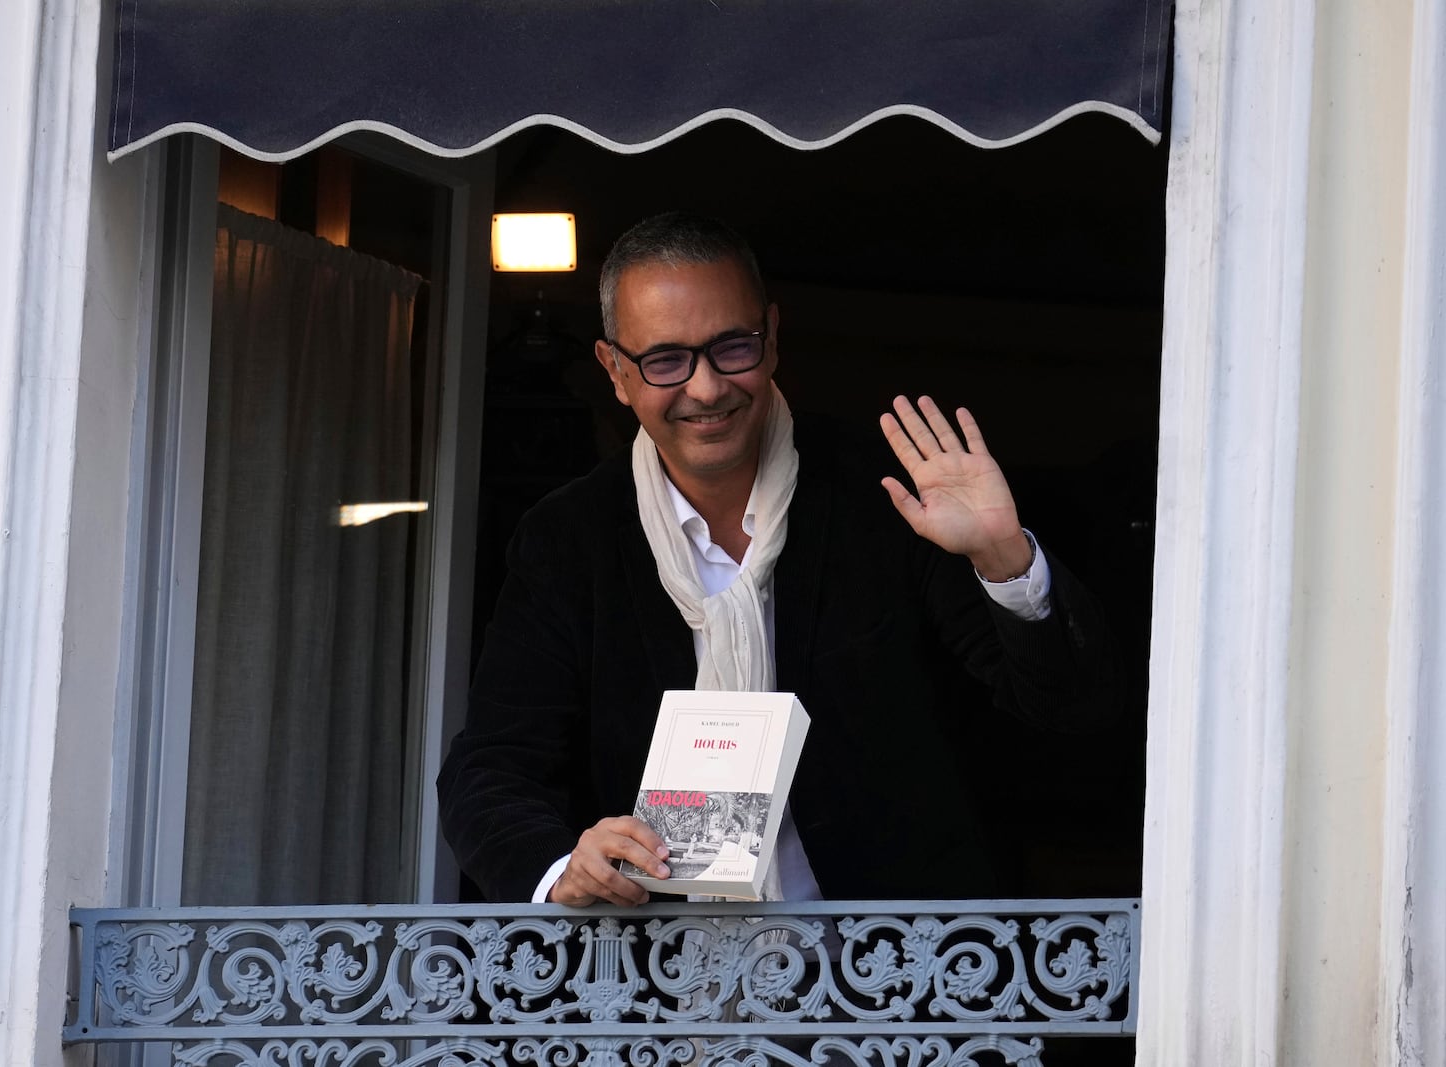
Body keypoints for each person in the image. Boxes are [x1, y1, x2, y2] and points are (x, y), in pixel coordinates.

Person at [438, 212, 1121, 906]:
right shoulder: (567, 539)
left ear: (771, 339)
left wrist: (1005, 558)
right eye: (666, 360)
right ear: (615, 371)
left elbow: (1068, 715)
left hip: (891, 982)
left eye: (731, 346)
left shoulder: (886, 499)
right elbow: (490, 770)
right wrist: (564, 871)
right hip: (657, 984)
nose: (705, 388)